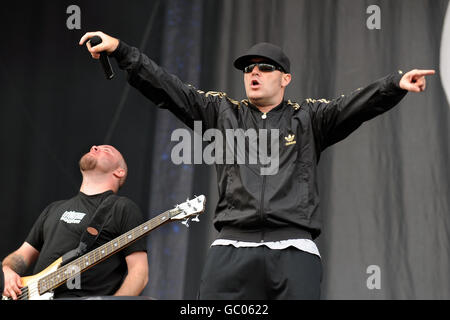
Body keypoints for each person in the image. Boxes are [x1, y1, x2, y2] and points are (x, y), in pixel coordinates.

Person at [79, 31, 434, 299]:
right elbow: (170, 89)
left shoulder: (309, 118)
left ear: (285, 78)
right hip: (231, 249)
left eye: (266, 68)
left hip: (294, 250)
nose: (255, 72)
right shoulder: (222, 113)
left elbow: (354, 105)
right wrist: (122, 51)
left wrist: (394, 85)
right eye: (249, 68)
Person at [2, 145, 148, 300]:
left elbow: (139, 272)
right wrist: (6, 270)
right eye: (95, 147)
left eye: (106, 150)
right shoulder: (54, 208)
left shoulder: (122, 208)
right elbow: (22, 256)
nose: (94, 147)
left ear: (119, 172)